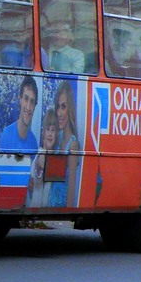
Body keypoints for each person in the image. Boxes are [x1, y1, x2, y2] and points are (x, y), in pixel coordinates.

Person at [49, 80, 81, 208]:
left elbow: (71, 190)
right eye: (57, 107)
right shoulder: (58, 138)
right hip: (51, 204)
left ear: (70, 109)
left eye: (63, 106)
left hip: (61, 207)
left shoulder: (73, 145)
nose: (59, 113)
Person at [0, 75, 39, 153]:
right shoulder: (7, 135)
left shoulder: (33, 143)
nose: (28, 107)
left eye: (32, 101)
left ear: (35, 106)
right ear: (20, 100)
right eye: (26, 99)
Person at [26, 106, 57, 208]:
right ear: (43, 133)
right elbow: (41, 170)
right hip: (35, 208)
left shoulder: (54, 156)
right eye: (48, 129)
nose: (50, 134)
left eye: (53, 130)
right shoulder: (40, 154)